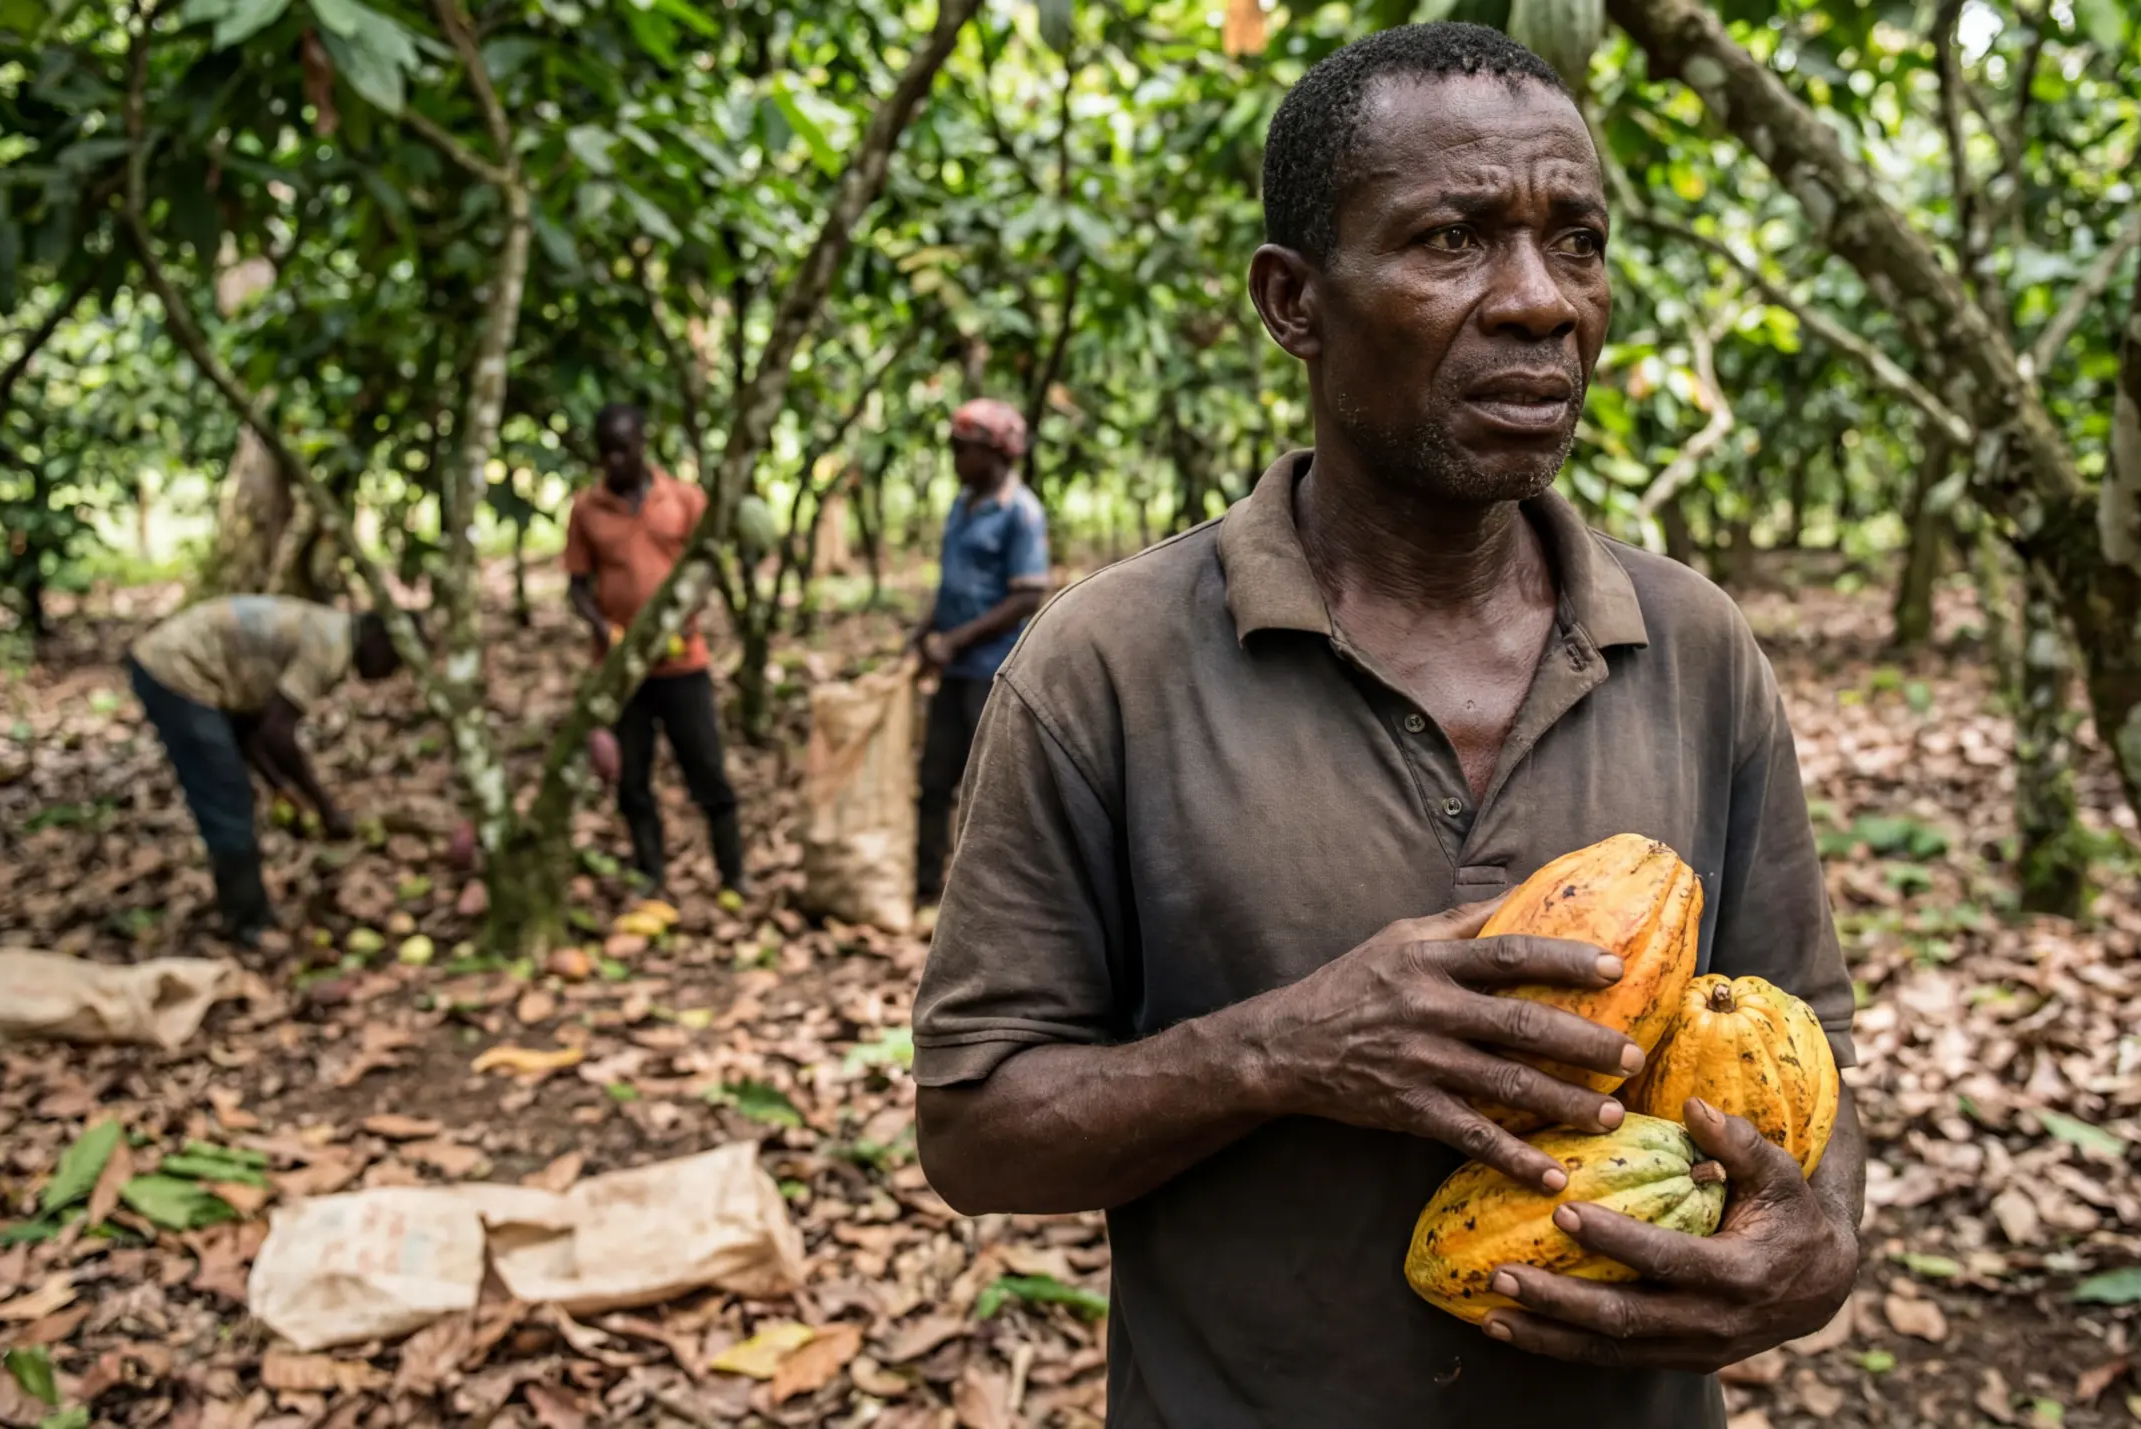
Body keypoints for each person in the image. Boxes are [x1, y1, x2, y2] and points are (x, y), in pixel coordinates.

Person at [911, 24, 1862, 1428]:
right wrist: (1282, 1049)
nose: (1541, 301)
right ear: (1295, 301)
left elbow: (1806, 1036)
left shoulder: (1695, 643)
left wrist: (1817, 1247)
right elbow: (975, 1130)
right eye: (1455, 239)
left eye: (1576, 241)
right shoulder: (1105, 663)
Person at [127, 594, 402, 945]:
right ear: (380, 640)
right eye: (396, 658)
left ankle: (248, 913)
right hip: (177, 669)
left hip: (174, 661)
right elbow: (277, 733)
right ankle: (248, 923)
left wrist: (281, 788)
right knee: (227, 795)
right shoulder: (329, 649)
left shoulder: (330, 628)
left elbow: (253, 728)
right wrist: (325, 806)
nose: (392, 671)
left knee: (229, 785)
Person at [565, 402, 746, 897]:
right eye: (607, 452)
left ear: (643, 443)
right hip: (623, 671)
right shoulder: (586, 508)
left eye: (624, 448)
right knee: (632, 780)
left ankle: (733, 875)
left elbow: (707, 565)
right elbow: (577, 585)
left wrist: (687, 616)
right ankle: (651, 876)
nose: (616, 461)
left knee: (707, 769)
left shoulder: (684, 499)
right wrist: (604, 630)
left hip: (683, 662)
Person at [906, 397, 1051, 901]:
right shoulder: (961, 505)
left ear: (997, 454)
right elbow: (954, 584)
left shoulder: (1020, 513)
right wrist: (926, 629)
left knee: (987, 793)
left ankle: (984, 899)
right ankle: (926, 890)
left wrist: (956, 639)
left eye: (963, 449)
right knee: (933, 780)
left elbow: (1028, 594)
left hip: (993, 672)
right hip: (955, 669)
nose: (954, 459)